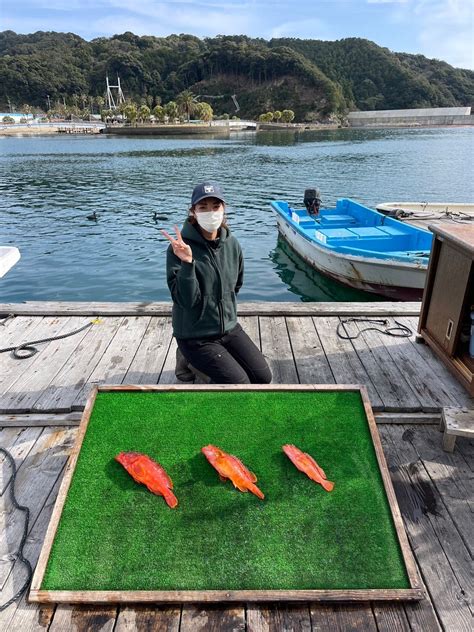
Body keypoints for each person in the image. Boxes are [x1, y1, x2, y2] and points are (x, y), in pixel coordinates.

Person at [162, 182, 272, 384]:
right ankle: (190, 358)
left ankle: (201, 360)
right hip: (195, 335)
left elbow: (236, 285)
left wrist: (225, 313)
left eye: (215, 206)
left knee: (263, 378)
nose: (210, 212)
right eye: (202, 207)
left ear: (224, 209)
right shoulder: (179, 249)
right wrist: (187, 263)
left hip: (228, 328)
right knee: (240, 384)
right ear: (193, 211)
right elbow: (185, 301)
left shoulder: (232, 244)